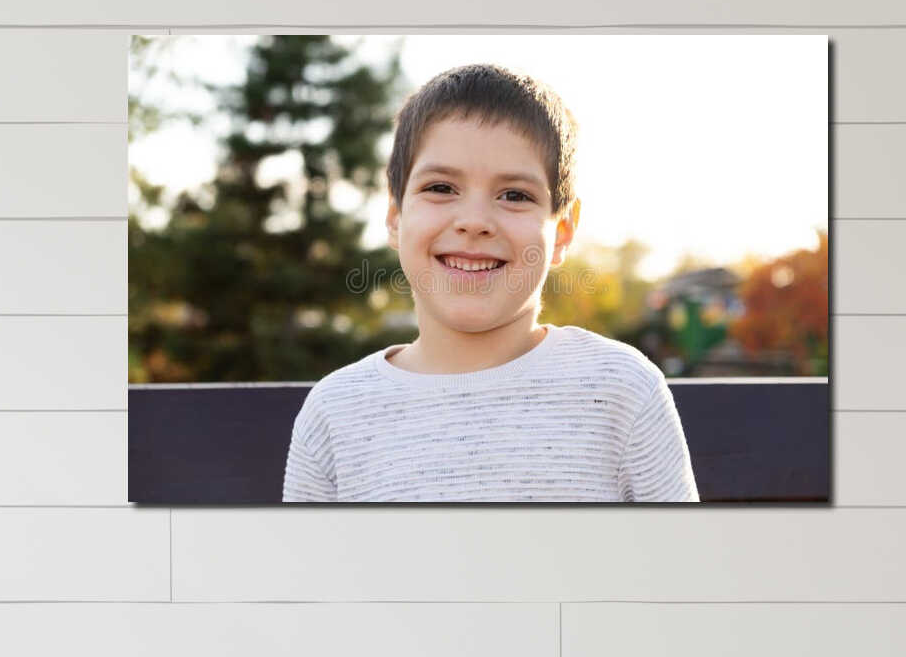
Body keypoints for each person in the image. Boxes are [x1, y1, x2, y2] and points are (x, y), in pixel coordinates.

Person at [281, 64, 698, 503]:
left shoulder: (622, 391)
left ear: (563, 233)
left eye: (515, 195)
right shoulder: (335, 413)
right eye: (441, 187)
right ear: (394, 216)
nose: (475, 222)